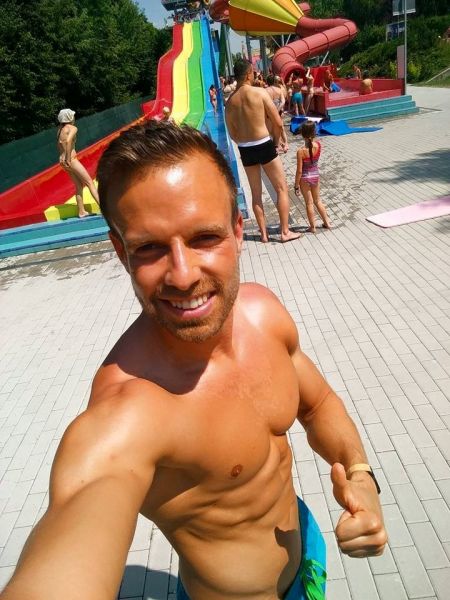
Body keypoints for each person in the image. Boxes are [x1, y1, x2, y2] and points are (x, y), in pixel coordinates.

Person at [1, 121, 387, 600]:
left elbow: (318, 403)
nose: (182, 276)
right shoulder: (128, 413)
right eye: (149, 248)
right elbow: (77, 521)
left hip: (308, 555)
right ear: (120, 252)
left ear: (238, 230)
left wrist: (360, 474)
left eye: (204, 237)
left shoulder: (263, 314)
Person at [225, 59, 301, 243]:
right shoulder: (259, 93)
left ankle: (264, 235)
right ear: (249, 73)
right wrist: (275, 142)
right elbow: (278, 122)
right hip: (264, 143)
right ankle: (284, 232)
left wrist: (244, 142)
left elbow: (232, 133)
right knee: (281, 188)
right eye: (252, 72)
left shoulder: (230, 102)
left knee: (256, 194)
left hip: (245, 148)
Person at [56, 108, 100, 218]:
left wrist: (63, 158)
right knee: (90, 183)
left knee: (79, 185)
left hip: (62, 161)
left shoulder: (59, 130)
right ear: (70, 117)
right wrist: (68, 158)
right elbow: (68, 141)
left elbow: (60, 144)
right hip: (71, 159)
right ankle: (105, 209)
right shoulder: (73, 128)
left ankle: (81, 211)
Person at [294, 121, 331, 233]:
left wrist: (296, 185)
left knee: (309, 203)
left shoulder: (300, 151)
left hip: (305, 179)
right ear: (314, 132)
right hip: (315, 176)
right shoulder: (318, 145)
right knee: (318, 201)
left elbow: (299, 171)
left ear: (302, 134)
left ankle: (312, 227)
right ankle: (327, 222)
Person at [265, 74, 288, 153]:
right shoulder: (279, 90)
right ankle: (285, 144)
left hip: (269, 113)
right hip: (279, 112)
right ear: (274, 81)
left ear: (267, 82)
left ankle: (277, 146)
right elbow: (283, 102)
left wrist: (272, 112)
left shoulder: (265, 91)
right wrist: (277, 110)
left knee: (271, 131)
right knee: (281, 128)